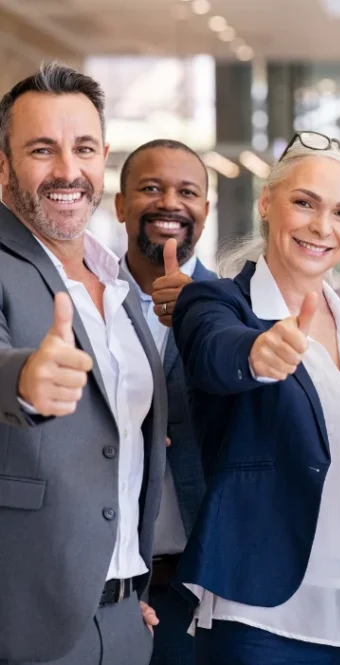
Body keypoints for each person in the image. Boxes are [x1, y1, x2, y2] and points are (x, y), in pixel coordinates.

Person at [171, 131, 340, 664]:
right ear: (267, 203)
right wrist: (257, 353)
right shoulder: (218, 303)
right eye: (304, 203)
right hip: (261, 616)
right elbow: (215, 352)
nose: (322, 227)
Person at [0, 63, 166, 664]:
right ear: (3, 165)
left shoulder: (117, 281)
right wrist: (21, 378)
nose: (67, 171)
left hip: (124, 620)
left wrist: (128, 591)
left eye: (84, 148)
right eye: (42, 150)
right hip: (20, 630)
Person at [115, 138, 218, 665]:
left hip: (199, 588)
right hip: (101, 587)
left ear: (205, 209)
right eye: (150, 188)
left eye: (187, 192)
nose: (169, 203)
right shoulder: (85, 299)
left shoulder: (237, 312)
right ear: (119, 204)